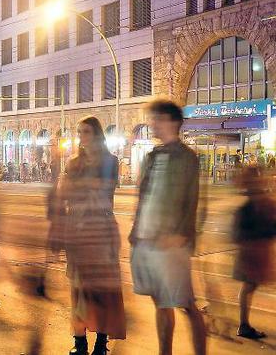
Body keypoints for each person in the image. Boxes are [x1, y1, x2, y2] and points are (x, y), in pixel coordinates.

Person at [130, 99, 207, 355]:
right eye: (153, 119)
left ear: (173, 122)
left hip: (172, 244)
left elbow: (192, 200)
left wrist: (180, 235)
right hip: (147, 240)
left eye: (158, 119)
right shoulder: (153, 156)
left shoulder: (187, 158)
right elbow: (143, 196)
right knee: (161, 304)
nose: (153, 124)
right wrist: (135, 231)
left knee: (186, 304)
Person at [56, 116, 126, 354]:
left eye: (85, 132)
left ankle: (101, 344)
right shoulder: (73, 162)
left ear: (96, 134)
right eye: (79, 132)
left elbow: (103, 190)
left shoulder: (110, 161)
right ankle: (80, 344)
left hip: (101, 229)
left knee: (103, 289)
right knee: (78, 289)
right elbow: (63, 194)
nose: (81, 137)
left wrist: (78, 186)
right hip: (77, 229)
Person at [231, 165, 275, 340]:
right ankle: (243, 325)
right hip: (252, 252)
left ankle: (244, 324)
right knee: (249, 286)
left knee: (250, 286)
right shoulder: (254, 202)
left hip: (254, 250)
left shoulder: (256, 199)